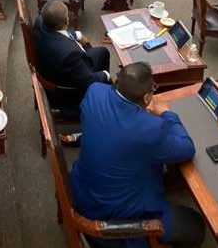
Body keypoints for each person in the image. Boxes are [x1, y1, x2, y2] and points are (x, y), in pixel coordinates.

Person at [70, 62, 205, 248]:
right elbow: (187, 148)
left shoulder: (94, 91)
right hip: (114, 221)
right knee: (195, 226)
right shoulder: (151, 130)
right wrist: (167, 114)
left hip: (82, 192)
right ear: (148, 97)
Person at [33, 0, 110, 108]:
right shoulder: (71, 55)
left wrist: (77, 35)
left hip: (55, 61)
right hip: (69, 87)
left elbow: (57, 34)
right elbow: (88, 82)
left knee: (102, 52)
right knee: (103, 73)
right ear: (66, 21)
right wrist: (106, 74)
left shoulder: (40, 22)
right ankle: (101, 98)